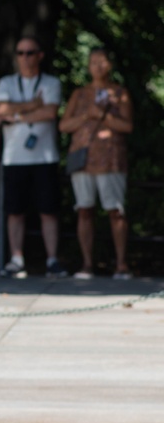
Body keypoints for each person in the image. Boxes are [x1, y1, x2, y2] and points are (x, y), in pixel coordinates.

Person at [0, 37, 67, 278]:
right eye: (20, 52)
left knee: (48, 210)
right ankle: (16, 259)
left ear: (40, 55)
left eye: (30, 52)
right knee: (15, 211)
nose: (25, 57)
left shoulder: (51, 82)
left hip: (45, 157)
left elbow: (50, 112)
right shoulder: (6, 82)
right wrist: (32, 105)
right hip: (14, 157)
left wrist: (14, 115)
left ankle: (53, 260)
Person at [58, 48, 134, 279]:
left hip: (111, 160)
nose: (98, 66)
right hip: (83, 159)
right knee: (84, 210)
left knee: (115, 211)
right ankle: (87, 264)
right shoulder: (79, 94)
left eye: (102, 61)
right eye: (93, 62)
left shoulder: (120, 93)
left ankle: (121, 264)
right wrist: (87, 115)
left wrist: (104, 116)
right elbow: (64, 125)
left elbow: (127, 127)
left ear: (110, 64)